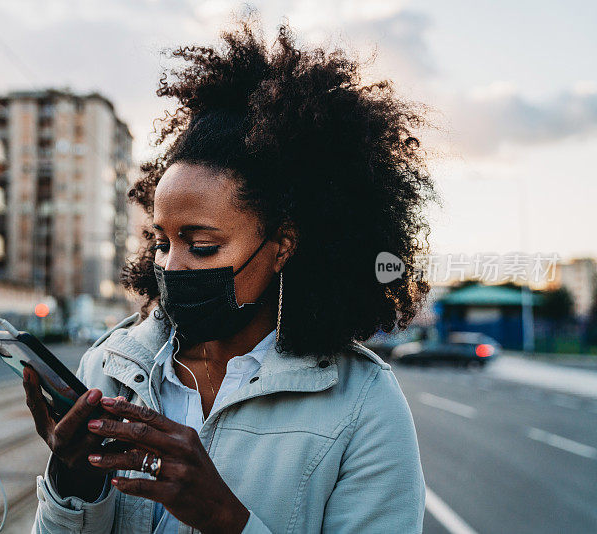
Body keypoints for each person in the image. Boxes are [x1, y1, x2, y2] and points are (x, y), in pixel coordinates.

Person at [24, 13, 435, 534]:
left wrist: (225, 518)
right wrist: (73, 483)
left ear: (283, 246)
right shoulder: (112, 370)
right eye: (161, 241)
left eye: (201, 245)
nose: (172, 266)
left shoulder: (363, 403)